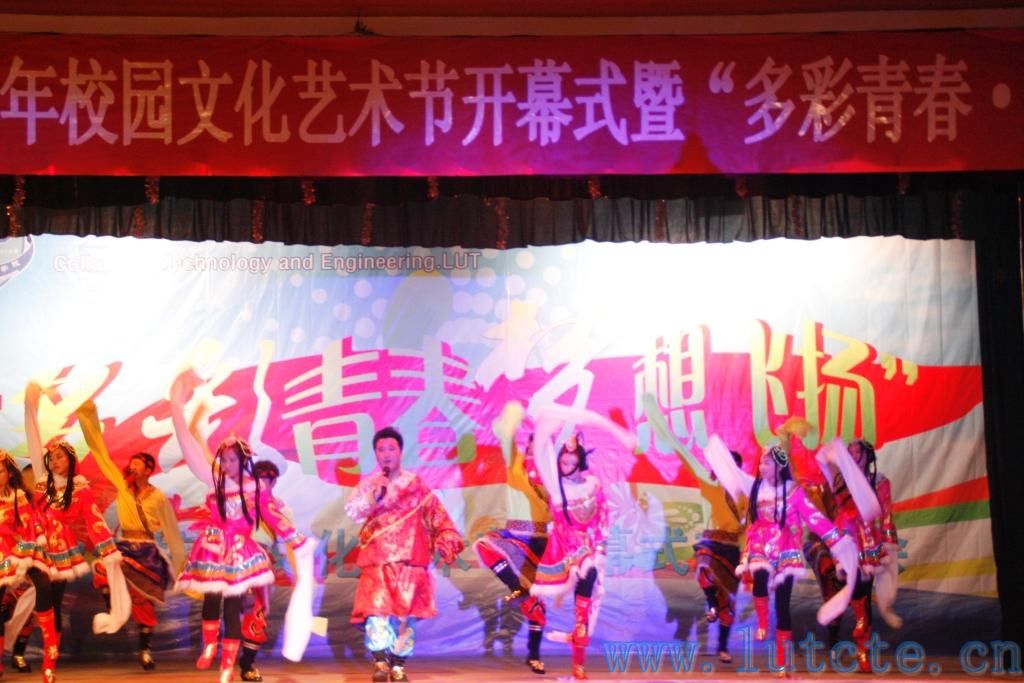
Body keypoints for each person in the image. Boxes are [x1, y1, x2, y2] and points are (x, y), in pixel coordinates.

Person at [170, 370, 314, 683]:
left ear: (244, 462)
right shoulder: (217, 485)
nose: (226, 465)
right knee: (212, 597)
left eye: (232, 460)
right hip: (214, 548)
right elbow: (193, 451)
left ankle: (234, 664)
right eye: (223, 460)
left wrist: (295, 539)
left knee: (239, 609)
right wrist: (177, 409)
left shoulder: (256, 491)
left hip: (244, 556)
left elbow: (273, 516)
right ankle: (211, 646)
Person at [703, 434, 861, 676]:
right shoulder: (756, 487)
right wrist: (718, 454)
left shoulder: (794, 492)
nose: (761, 466)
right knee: (760, 579)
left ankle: (781, 662)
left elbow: (815, 519)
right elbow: (735, 476)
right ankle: (763, 623)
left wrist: (838, 540)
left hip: (786, 549)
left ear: (778, 466)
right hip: (762, 546)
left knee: (783, 606)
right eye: (760, 462)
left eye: (766, 462)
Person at [25, 381, 128, 683]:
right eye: (52, 457)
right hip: (34, 544)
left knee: (54, 601)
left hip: (61, 549)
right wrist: (32, 399)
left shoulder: (80, 490)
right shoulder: (41, 480)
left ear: (70, 460)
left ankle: (50, 659)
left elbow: (94, 521)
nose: (54, 460)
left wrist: (108, 551)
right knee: (41, 587)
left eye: (60, 456)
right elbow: (33, 433)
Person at [345, 426, 464, 683]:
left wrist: (446, 537)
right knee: (376, 612)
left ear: (400, 451)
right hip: (377, 559)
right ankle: (380, 662)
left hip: (410, 560)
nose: (386, 454)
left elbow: (437, 515)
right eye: (381, 449)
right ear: (375, 454)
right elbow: (353, 512)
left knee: (405, 617)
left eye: (391, 448)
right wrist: (373, 496)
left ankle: (398, 664)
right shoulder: (370, 485)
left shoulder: (416, 485)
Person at [77, 399, 187, 671]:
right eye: (132, 463)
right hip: (124, 546)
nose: (133, 467)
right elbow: (102, 455)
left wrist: (181, 565)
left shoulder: (158, 497)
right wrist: (89, 418)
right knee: (103, 567)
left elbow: (172, 532)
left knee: (143, 602)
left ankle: (145, 650)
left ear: (148, 470)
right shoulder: (123, 487)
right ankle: (113, 606)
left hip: (147, 550)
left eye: (138, 464)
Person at [812, 438, 902, 672]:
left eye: (857, 452)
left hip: (869, 540)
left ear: (867, 456)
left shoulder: (879, 481)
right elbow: (822, 460)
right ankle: (845, 636)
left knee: (863, 594)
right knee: (853, 592)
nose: (853, 456)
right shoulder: (841, 481)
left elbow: (886, 513)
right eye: (849, 453)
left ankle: (863, 651)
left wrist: (889, 543)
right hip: (847, 539)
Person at [529, 432, 608, 681]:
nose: (566, 467)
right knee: (586, 569)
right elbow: (534, 469)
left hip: (587, 546)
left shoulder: (593, 486)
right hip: (563, 544)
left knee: (585, 605)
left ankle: (578, 664)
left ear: (580, 463)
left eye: (571, 462)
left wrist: (601, 549)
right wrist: (544, 439)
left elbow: (603, 519)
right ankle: (532, 615)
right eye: (563, 462)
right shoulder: (555, 485)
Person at [472, 433, 551, 675]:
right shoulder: (516, 465)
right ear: (528, 446)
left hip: (540, 541)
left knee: (537, 601)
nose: (539, 448)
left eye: (545, 444)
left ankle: (534, 655)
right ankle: (517, 586)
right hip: (515, 535)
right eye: (536, 443)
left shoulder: (553, 473)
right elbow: (506, 436)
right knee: (485, 546)